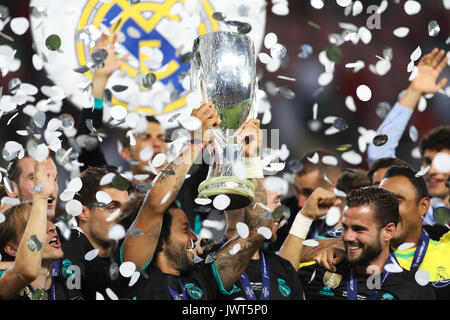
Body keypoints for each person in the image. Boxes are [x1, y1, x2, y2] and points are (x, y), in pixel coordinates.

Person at [78, 31, 210, 231]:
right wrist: (99, 79)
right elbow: (87, 144)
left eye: (161, 138)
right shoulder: (114, 191)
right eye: (145, 137)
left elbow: (217, 159)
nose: (157, 143)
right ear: (125, 152)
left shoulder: (188, 192)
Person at [293, 167, 450, 299]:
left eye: (396, 200)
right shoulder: (338, 245)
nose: (386, 208)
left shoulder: (445, 252)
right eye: (381, 200)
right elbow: (280, 268)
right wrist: (312, 238)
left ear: (423, 206)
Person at [215, 121, 302, 300]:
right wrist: (250, 156)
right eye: (275, 202)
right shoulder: (208, 264)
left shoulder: (283, 268)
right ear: (246, 205)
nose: (283, 213)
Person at [367, 48, 449, 225]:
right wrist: (414, 92)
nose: (432, 171)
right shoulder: (420, 216)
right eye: (427, 161)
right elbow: (378, 154)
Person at [54, 165, 131, 300]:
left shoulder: (125, 257)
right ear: (83, 212)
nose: (123, 216)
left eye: (126, 209)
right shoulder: (68, 249)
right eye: (112, 207)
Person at [0, 160, 64, 300]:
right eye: (34, 224)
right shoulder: (3, 277)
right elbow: (26, 270)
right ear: (11, 248)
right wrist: (41, 197)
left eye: (47, 220)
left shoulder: (67, 280)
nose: (51, 227)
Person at [266, 149, 342, 252]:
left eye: (308, 193)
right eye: (297, 190)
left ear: (333, 186)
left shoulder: (350, 220)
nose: (300, 203)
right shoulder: (283, 212)